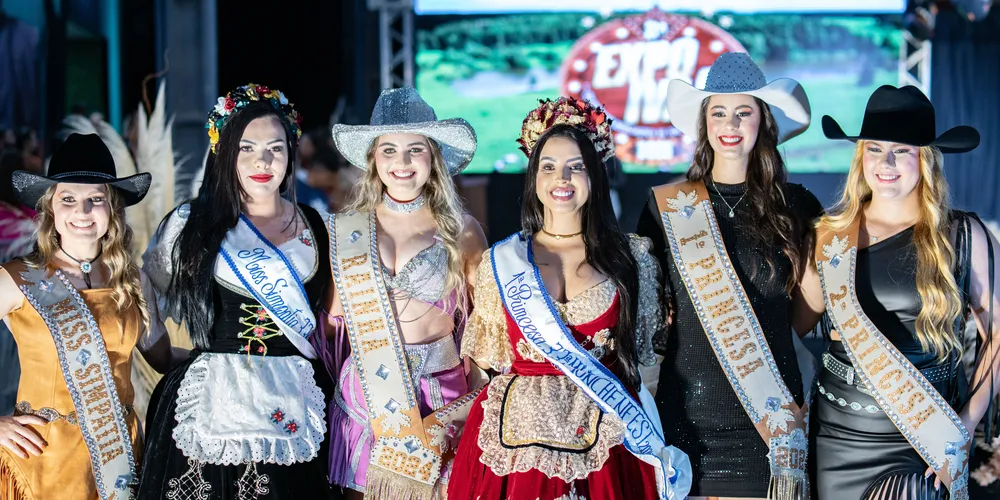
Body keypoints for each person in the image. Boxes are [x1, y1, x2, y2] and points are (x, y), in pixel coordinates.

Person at [450, 96, 691, 500]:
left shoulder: (632, 259)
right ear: (534, 178)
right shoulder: (502, 262)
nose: (562, 179)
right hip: (513, 446)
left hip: (609, 444)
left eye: (576, 167)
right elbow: (488, 366)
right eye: (549, 167)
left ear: (595, 176)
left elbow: (648, 360)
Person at [795, 85, 1000, 500]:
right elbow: (790, 330)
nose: (886, 163)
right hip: (837, 436)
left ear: (925, 160)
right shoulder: (827, 237)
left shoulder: (964, 236)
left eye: (902, 150)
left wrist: (965, 425)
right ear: (860, 158)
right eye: (874, 149)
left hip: (923, 439)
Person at [136, 83, 337, 499]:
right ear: (223, 152)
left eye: (275, 148)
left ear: (291, 151)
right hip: (210, 401)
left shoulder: (320, 228)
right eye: (246, 148)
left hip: (296, 402)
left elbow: (334, 326)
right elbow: (144, 295)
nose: (262, 161)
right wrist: (164, 359)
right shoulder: (189, 225)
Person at [636, 52, 822, 499]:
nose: (731, 123)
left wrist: (762, 333)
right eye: (718, 112)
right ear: (704, 123)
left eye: (744, 112)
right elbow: (653, 309)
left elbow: (808, 307)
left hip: (769, 414)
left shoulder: (796, 206)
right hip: (688, 414)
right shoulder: (665, 208)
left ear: (764, 122)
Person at [321, 86, 488, 499]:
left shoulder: (462, 230)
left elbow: (488, 323)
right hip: (365, 399)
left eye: (415, 149)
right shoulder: (345, 230)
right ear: (373, 160)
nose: (402, 162)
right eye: (389, 150)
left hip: (439, 396)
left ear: (433, 157)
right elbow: (332, 324)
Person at [0, 133, 178, 499]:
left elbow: (163, 359)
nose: (82, 212)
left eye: (95, 199)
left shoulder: (132, 282)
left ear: (112, 208)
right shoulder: (17, 279)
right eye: (69, 199)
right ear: (51, 209)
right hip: (42, 467)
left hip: (120, 467)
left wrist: (228, 355)